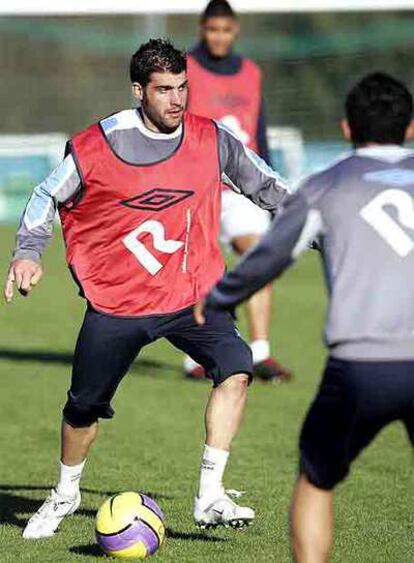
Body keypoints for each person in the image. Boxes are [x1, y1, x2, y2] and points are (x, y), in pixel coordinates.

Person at [4, 39, 288, 539]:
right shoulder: (97, 145)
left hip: (191, 295)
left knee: (238, 368)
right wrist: (27, 251)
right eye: (163, 90)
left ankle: (210, 495)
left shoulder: (210, 138)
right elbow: (46, 194)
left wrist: (318, 225)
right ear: (139, 91)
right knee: (82, 410)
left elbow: (266, 186)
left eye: (183, 88)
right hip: (118, 303)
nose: (177, 100)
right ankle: (65, 493)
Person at [194, 72, 414, 562]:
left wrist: (219, 298)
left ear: (345, 128)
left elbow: (270, 255)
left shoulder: (327, 185)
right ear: (411, 128)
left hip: (360, 365)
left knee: (317, 479)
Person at [185, 0, 292, 382]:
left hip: (243, 185)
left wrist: (273, 189)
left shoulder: (250, 72)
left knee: (260, 255)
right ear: (202, 28)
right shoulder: (185, 68)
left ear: (235, 31)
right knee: (197, 266)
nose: (218, 36)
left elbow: (259, 131)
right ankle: (196, 355)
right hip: (199, 184)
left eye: (225, 29)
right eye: (212, 29)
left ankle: (261, 352)